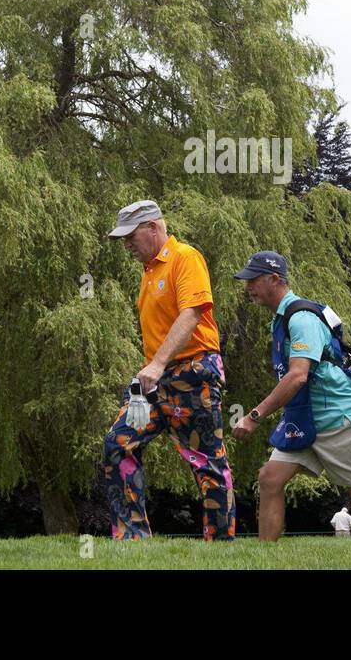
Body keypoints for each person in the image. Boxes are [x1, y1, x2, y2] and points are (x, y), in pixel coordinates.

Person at [230, 250, 351, 546]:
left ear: (274, 279)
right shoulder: (281, 319)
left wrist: (254, 416)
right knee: (270, 479)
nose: (248, 287)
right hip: (303, 418)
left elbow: (297, 376)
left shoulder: (301, 319)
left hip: (337, 419)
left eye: (253, 280)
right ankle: (264, 559)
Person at [101, 200, 235, 540]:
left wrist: (158, 363)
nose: (127, 245)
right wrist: (152, 368)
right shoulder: (149, 273)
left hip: (193, 372)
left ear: (153, 227)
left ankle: (220, 545)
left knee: (206, 461)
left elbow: (190, 314)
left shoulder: (184, 258)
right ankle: (132, 539)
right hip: (156, 380)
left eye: (131, 236)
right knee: (118, 443)